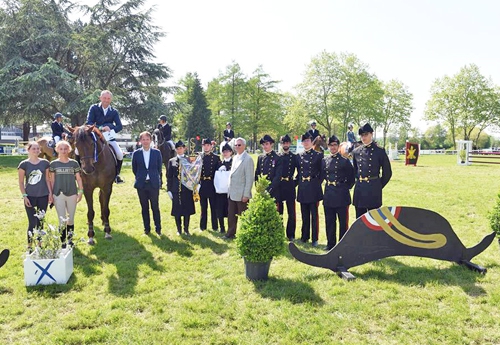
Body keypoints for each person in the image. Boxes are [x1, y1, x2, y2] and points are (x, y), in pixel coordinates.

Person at [321, 135, 355, 250]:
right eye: (331, 145)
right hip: (329, 194)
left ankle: (342, 244)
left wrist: (344, 187)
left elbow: (352, 178)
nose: (333, 147)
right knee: (329, 221)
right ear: (329, 146)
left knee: (343, 222)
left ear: (338, 146)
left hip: (341, 194)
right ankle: (330, 244)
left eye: (335, 145)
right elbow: (322, 175)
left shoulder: (345, 161)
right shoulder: (325, 161)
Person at [18, 142, 53, 252]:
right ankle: (29, 246)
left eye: (38, 149)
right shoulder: (23, 164)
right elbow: (21, 182)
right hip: (30, 197)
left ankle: (40, 244)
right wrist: (25, 196)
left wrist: (50, 194)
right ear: (28, 150)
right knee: (32, 222)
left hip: (43, 195)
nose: (36, 150)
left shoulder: (45, 163)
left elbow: (48, 179)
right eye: (34, 148)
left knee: (40, 221)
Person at [352, 123, 392, 218]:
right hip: (360, 191)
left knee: (375, 221)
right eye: (362, 135)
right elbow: (355, 171)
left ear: (371, 134)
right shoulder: (356, 152)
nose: (363, 137)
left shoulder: (379, 151)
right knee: (360, 221)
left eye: (366, 134)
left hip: (373, 191)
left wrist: (378, 185)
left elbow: (387, 173)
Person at [86, 90, 125, 184]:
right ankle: (79, 173)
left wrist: (110, 128)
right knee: (78, 151)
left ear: (111, 99)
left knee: (119, 154)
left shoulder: (114, 111)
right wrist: (101, 127)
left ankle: (117, 175)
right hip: (95, 136)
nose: (106, 100)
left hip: (109, 136)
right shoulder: (94, 108)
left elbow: (119, 126)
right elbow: (89, 123)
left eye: (108, 98)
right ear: (100, 98)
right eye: (104, 98)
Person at [49, 140, 83, 248]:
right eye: (61, 149)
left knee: (71, 218)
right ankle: (63, 242)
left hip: (72, 193)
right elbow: (52, 181)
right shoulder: (53, 164)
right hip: (58, 194)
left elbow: (78, 178)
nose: (63, 151)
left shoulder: (74, 163)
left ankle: (70, 240)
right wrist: (51, 194)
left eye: (65, 149)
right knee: (62, 219)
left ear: (69, 150)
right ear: (57, 150)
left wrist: (80, 191)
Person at [132, 131, 163, 236]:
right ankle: (147, 229)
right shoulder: (136, 154)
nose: (145, 141)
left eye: (147, 139)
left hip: (153, 184)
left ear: (151, 140)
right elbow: (134, 169)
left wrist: (153, 176)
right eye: (143, 139)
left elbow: (159, 168)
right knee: (144, 207)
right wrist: (142, 177)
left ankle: (158, 228)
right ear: (140, 141)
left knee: (155, 207)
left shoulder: (157, 152)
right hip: (141, 184)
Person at [296, 132, 323, 246]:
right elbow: (298, 173)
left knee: (314, 214)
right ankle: (304, 236)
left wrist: (316, 183)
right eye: (304, 141)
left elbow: (322, 173)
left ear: (311, 142)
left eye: (308, 141)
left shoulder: (318, 155)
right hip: (303, 187)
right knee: (304, 214)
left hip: (313, 187)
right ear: (302, 143)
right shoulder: (298, 156)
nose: (306, 143)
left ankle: (315, 238)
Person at [225, 137, 254, 239]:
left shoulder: (248, 159)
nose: (237, 147)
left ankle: (246, 235)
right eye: (236, 145)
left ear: (244, 146)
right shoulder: (235, 157)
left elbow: (249, 178)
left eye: (239, 145)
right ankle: (230, 234)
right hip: (232, 192)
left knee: (244, 217)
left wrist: (246, 194)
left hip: (242, 194)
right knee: (231, 216)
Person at [167, 141, 195, 235]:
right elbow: (169, 176)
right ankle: (179, 229)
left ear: (184, 148)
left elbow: (192, 174)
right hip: (175, 187)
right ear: (176, 149)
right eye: (177, 148)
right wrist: (169, 189)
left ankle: (186, 229)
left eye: (181, 148)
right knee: (177, 210)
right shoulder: (172, 161)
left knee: (187, 209)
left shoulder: (189, 160)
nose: (179, 150)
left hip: (186, 187)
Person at [277, 134, 298, 241]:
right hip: (279, 186)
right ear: (281, 144)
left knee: (291, 212)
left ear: (290, 143)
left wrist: (295, 183)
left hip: (290, 185)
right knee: (279, 211)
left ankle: (291, 234)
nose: (285, 145)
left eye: (287, 142)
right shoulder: (277, 156)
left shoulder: (294, 157)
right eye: (283, 143)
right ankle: (279, 233)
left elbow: (300, 172)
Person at [199, 138, 220, 231]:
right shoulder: (198, 157)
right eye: (204, 145)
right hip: (202, 183)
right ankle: (202, 227)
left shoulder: (216, 158)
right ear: (202, 146)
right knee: (203, 207)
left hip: (212, 183)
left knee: (213, 206)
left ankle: (215, 226)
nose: (206, 147)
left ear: (211, 146)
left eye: (208, 145)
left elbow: (219, 172)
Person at [255, 134, 282, 200]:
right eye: (263, 144)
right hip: (262, 189)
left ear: (271, 144)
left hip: (273, 190)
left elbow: (278, 176)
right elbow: (257, 173)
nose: (265, 146)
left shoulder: (277, 157)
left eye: (267, 144)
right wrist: (258, 186)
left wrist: (270, 188)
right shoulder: (260, 157)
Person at [215, 143, 233, 233]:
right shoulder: (219, 163)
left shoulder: (234, 163)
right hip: (220, 190)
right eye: (223, 152)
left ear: (231, 152)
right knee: (219, 209)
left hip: (230, 190)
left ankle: (231, 228)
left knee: (230, 210)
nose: (225, 153)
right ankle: (221, 227)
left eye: (227, 151)